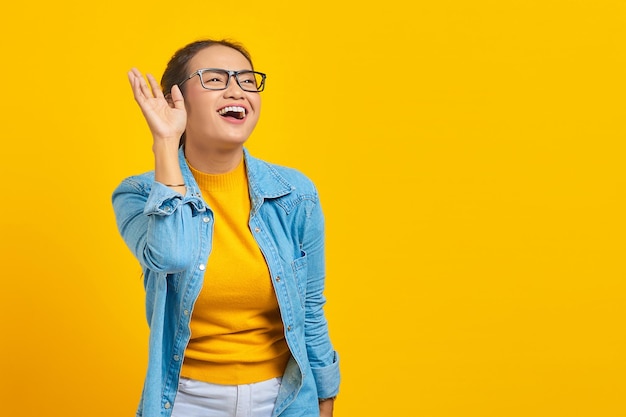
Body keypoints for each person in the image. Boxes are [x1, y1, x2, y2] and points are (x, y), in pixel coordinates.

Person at [112, 39, 340, 417]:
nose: (237, 90)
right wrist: (166, 141)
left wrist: (325, 396)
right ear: (175, 101)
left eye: (248, 81)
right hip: (186, 400)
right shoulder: (136, 195)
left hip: (285, 399)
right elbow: (172, 254)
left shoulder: (296, 194)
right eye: (214, 79)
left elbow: (311, 308)